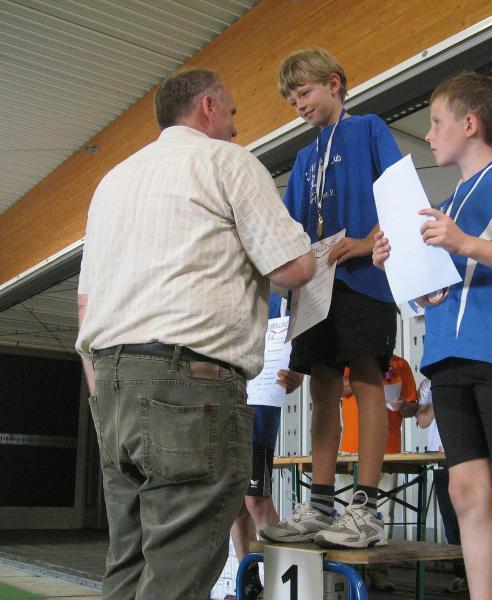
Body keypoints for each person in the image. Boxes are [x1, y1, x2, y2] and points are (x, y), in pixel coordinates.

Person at [76, 68, 315, 600]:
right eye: (231, 112)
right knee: (177, 571)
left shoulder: (112, 182)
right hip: (189, 385)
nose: (235, 126)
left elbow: (85, 304)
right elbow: (294, 266)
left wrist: (104, 389)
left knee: (129, 561)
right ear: (208, 106)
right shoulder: (227, 161)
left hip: (111, 385)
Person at [373, 71, 492, 600]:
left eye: (436, 122)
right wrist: (394, 265)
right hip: (445, 360)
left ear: (470, 124)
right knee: (466, 492)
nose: (429, 135)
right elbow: (432, 296)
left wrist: (465, 243)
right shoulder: (445, 207)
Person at [260, 47, 403, 550]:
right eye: (292, 100)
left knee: (365, 380)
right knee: (322, 388)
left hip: (364, 280)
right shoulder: (303, 159)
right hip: (315, 289)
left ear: (335, 83)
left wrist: (364, 243)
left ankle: (365, 508)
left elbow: (401, 199)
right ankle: (319, 504)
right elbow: (288, 232)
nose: (299, 105)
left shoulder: (369, 130)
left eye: (305, 93)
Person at [229, 294, 304, 600]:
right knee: (235, 504)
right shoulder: (218, 296)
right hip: (223, 408)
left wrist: (296, 374)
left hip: (257, 412)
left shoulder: (275, 303)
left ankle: (283, 589)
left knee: (256, 500)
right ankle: (250, 586)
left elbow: (292, 356)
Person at [338, 354, 417, 591]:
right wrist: (369, 380)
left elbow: (412, 405)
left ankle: (379, 570)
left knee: (383, 513)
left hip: (389, 451)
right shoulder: (349, 363)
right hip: (351, 450)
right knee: (346, 510)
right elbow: (337, 389)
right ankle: (348, 569)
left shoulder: (400, 365)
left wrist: (405, 407)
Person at [415, 378, 468, 593]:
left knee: (476, 515)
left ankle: (490, 574)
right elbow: (423, 421)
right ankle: (461, 574)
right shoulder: (428, 385)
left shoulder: (464, 375)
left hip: (466, 453)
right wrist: (438, 394)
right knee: (451, 521)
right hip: (439, 455)